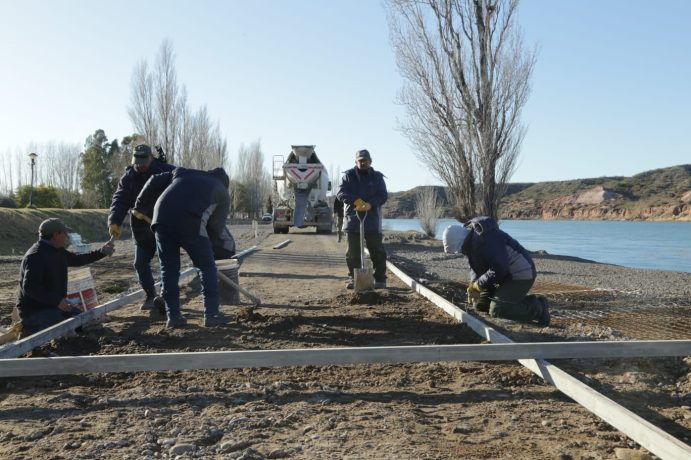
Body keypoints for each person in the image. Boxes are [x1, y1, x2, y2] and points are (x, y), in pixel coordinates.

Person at [135, 167, 232, 328]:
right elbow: (216, 228)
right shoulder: (222, 191)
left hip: (161, 218)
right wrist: (206, 251)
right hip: (191, 221)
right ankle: (212, 315)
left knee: (169, 269)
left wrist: (139, 206)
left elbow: (153, 180)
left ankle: (173, 317)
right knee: (207, 267)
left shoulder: (181, 172)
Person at [442, 216, 550, 327]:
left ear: (461, 241)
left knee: (498, 310)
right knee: (480, 305)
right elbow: (475, 267)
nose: (460, 252)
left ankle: (538, 307)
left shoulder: (487, 238)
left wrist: (478, 285)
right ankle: (510, 300)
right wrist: (473, 284)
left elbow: (500, 268)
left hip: (520, 274)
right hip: (502, 276)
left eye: (458, 249)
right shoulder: (470, 242)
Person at [16, 218, 115, 337]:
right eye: (65, 233)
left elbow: (78, 259)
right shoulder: (35, 256)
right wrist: (57, 301)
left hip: (54, 306)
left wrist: (102, 252)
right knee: (67, 331)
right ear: (56, 235)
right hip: (35, 311)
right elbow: (30, 287)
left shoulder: (58, 251)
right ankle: (30, 330)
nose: (67, 236)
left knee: (84, 321)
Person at [107, 143, 175, 311]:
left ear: (151, 158)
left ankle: (167, 297)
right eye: (137, 161)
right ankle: (150, 295)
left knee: (166, 263)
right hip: (141, 229)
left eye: (143, 160)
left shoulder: (166, 171)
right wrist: (114, 221)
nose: (140, 164)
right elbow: (120, 200)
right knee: (139, 263)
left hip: (164, 226)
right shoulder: (128, 178)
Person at [336, 149, 388, 289]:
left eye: (365, 160)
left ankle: (380, 279)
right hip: (353, 220)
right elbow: (340, 193)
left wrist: (370, 204)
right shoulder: (348, 176)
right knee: (352, 253)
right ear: (356, 162)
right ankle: (354, 278)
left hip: (371, 220)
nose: (363, 162)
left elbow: (383, 195)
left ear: (370, 161)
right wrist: (356, 201)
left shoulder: (377, 177)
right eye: (360, 160)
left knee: (377, 251)